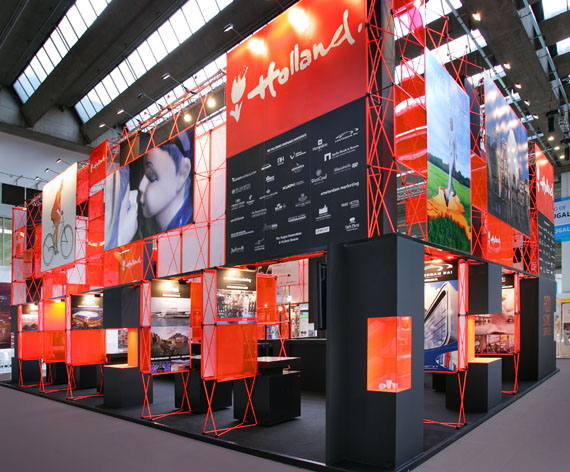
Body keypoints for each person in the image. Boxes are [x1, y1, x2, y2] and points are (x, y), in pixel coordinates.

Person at [105, 130, 194, 249]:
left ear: (183, 172)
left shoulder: (189, 236)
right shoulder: (144, 229)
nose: (141, 187)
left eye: (152, 177)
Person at [445, 117, 457, 206]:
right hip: (450, 155)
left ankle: (447, 196)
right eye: (449, 123)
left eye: (451, 123)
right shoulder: (449, 134)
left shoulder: (454, 134)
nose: (450, 125)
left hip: (453, 156)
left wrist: (455, 162)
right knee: (450, 176)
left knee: (450, 175)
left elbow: (455, 148)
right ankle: (454, 191)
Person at [51, 179, 64, 254]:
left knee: (57, 227)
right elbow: (57, 203)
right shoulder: (58, 192)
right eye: (62, 185)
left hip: (54, 212)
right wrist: (60, 210)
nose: (62, 186)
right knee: (57, 228)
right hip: (54, 212)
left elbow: (58, 203)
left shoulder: (59, 192)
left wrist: (60, 210)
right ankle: (55, 246)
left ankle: (54, 242)